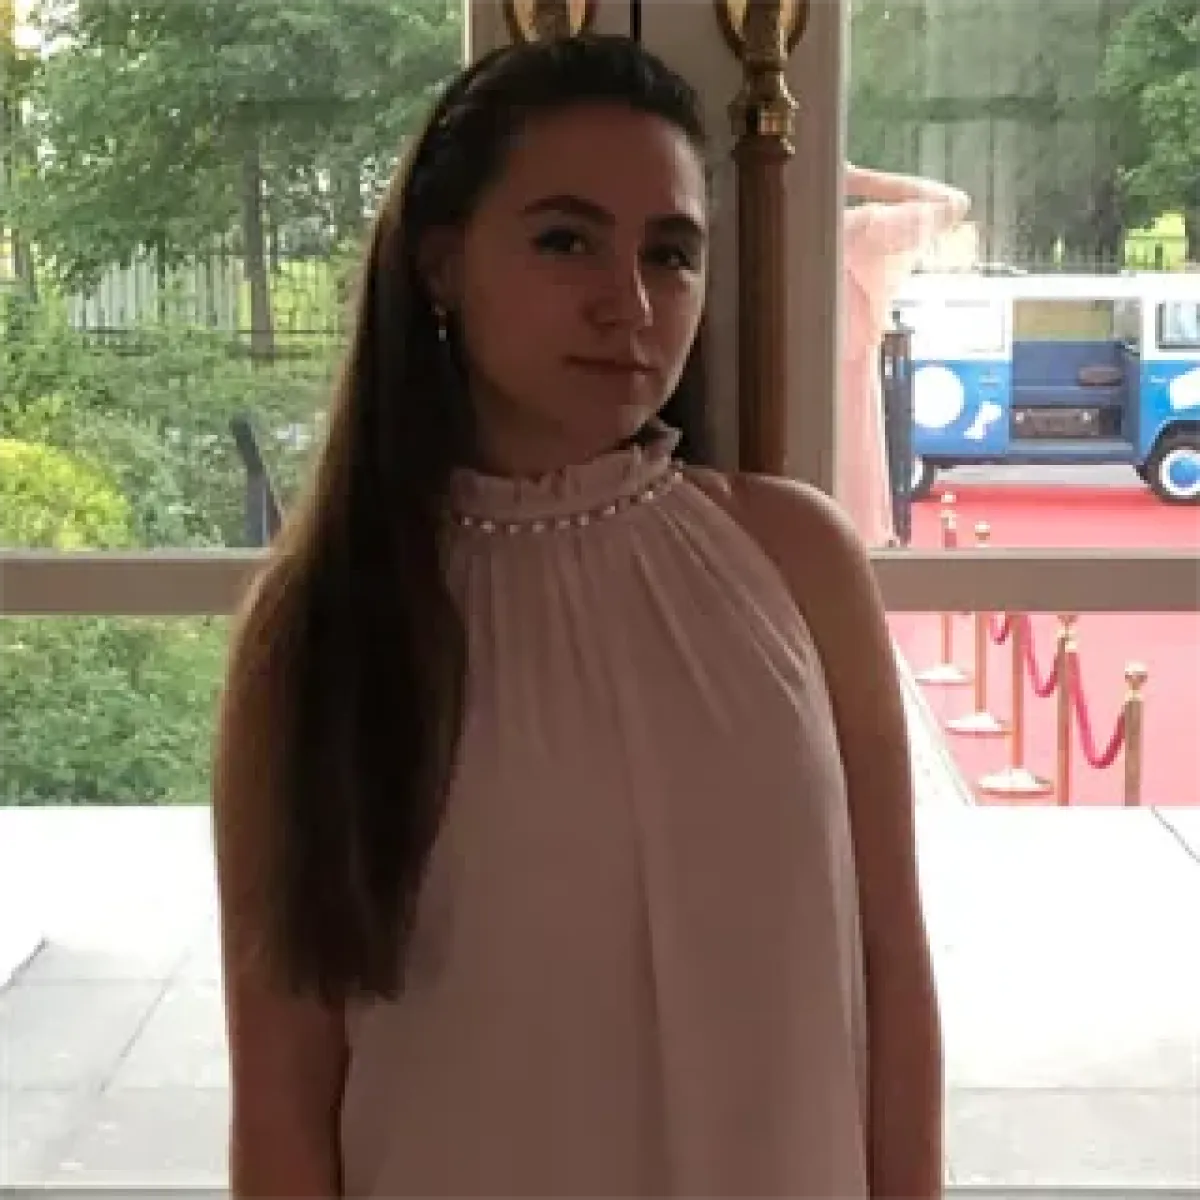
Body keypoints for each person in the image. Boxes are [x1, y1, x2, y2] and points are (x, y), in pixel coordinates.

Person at [213, 35, 940, 1200]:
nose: (630, 302)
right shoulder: (324, 631)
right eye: (566, 240)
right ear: (442, 264)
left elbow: (893, 974)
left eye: (671, 253)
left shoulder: (800, 561)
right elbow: (285, 1102)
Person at [841, 163, 971, 546]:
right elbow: (954, 202)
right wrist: (857, 179)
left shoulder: (766, 240)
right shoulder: (855, 233)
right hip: (848, 420)